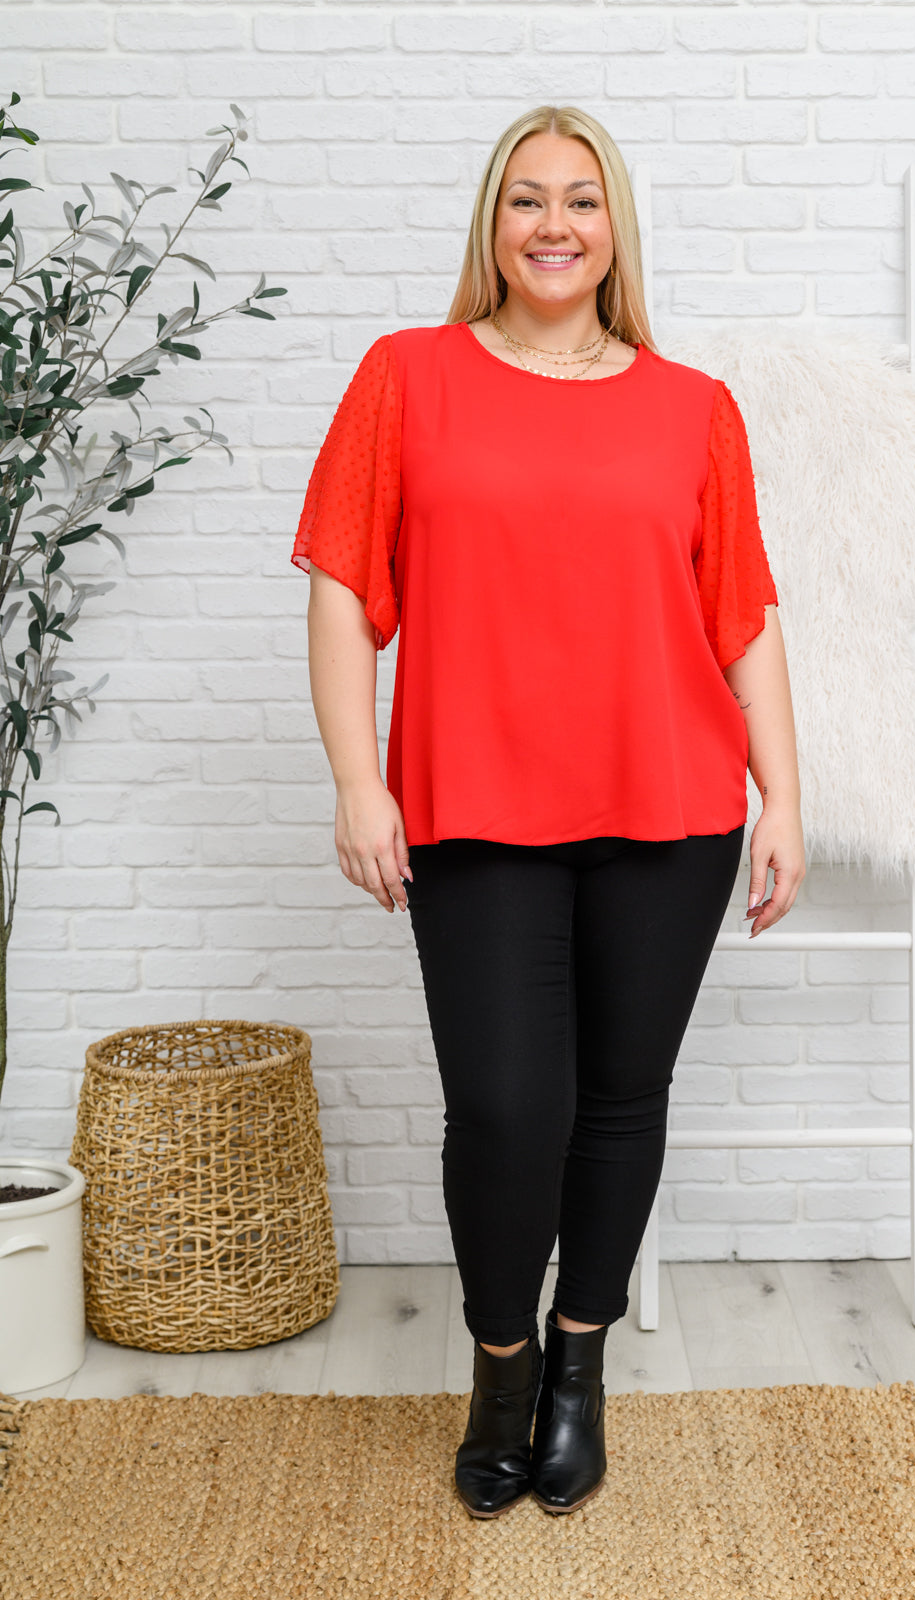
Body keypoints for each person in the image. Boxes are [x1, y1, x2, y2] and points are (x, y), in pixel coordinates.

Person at [292, 104, 805, 1521]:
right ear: (493, 224)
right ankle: (501, 1369)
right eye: (527, 199)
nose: (555, 224)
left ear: (614, 229)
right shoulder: (407, 376)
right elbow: (342, 587)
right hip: (471, 806)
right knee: (505, 1107)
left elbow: (742, 615)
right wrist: (357, 781)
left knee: (619, 1100)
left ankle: (579, 1372)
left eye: (582, 200)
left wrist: (783, 793)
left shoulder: (692, 406)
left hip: (672, 806)